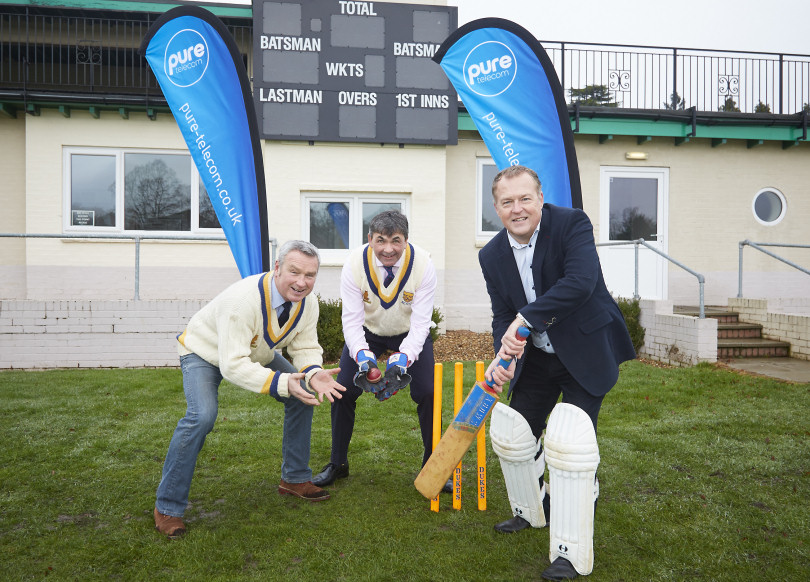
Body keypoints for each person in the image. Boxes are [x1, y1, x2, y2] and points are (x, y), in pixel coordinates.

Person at [479, 166, 635, 581]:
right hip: (538, 360)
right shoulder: (490, 255)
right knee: (516, 435)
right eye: (507, 202)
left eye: (524, 199)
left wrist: (525, 320)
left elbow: (580, 282)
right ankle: (532, 509)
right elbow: (502, 314)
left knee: (570, 447)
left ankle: (570, 550)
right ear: (496, 207)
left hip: (584, 350)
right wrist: (505, 352)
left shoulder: (571, 225)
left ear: (540, 199)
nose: (517, 209)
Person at [153, 240, 346, 539]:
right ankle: (167, 506)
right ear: (277, 268)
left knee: (302, 395)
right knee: (202, 416)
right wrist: (282, 382)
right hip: (204, 352)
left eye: (310, 275)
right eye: (294, 272)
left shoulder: (308, 303)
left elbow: (305, 346)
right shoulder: (243, 301)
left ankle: (294, 479)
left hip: (255, 353)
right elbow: (232, 365)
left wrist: (313, 372)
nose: (301, 282)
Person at [312, 210, 450, 493]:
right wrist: (363, 355)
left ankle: (432, 467)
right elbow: (351, 321)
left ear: (406, 240)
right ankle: (338, 463)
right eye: (381, 240)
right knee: (343, 391)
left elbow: (421, 323)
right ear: (370, 239)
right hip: (368, 332)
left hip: (409, 332)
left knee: (428, 392)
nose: (388, 249)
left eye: (396, 240)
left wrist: (404, 357)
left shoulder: (424, 264)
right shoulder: (354, 264)